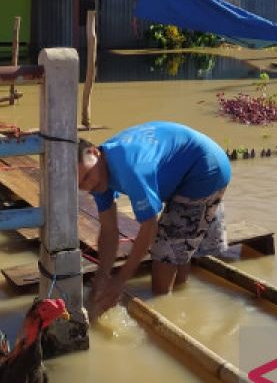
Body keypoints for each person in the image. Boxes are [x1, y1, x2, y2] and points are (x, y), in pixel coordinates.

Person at [77, 121, 230, 318]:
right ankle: (182, 297)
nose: (88, 185)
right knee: (177, 245)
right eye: (80, 184)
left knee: (164, 252)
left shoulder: (130, 168)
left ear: (94, 152)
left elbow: (149, 227)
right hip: (185, 168)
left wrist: (120, 280)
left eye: (88, 177)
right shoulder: (97, 174)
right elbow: (108, 230)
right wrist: (102, 275)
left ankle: (166, 309)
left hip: (205, 170)